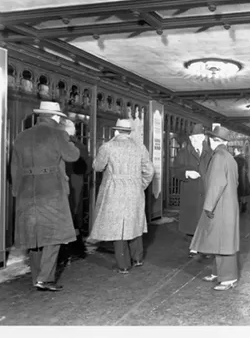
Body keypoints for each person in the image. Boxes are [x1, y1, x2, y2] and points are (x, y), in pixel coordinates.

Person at [10, 101, 81, 291]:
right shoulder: (58, 134)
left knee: (33, 235)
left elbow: (14, 168)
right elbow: (73, 156)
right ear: (56, 117)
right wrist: (67, 137)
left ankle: (36, 277)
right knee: (54, 234)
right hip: (50, 190)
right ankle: (45, 278)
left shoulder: (21, 136)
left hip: (26, 190)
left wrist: (17, 191)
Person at [89, 119, 155, 274]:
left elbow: (97, 167)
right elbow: (149, 171)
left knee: (118, 227)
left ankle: (123, 265)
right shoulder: (140, 147)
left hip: (114, 189)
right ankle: (137, 258)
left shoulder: (108, 146)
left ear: (115, 131)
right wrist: (140, 185)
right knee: (135, 223)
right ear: (129, 132)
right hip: (135, 190)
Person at [190, 125, 240, 291]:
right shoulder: (229, 157)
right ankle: (218, 272)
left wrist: (209, 206)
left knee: (224, 243)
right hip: (228, 204)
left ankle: (228, 279)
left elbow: (216, 184)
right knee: (219, 240)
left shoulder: (218, 156)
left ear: (213, 140)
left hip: (220, 205)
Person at [172, 124, 213, 257]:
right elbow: (175, 171)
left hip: (207, 191)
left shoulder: (211, 153)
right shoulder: (183, 153)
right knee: (192, 221)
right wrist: (186, 173)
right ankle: (193, 247)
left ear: (203, 138)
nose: (195, 140)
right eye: (193, 137)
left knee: (206, 220)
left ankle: (206, 247)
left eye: (198, 137)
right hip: (190, 192)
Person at [60, 118, 91, 260]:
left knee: (64, 214)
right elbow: (88, 167)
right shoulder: (81, 146)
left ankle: (64, 250)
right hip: (77, 182)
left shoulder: (60, 144)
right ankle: (78, 248)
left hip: (62, 182)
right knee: (75, 213)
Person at [233, 146, 250, 214]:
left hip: (237, 178)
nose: (234, 151)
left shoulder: (235, 159)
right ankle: (244, 207)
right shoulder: (244, 159)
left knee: (237, 194)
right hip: (244, 179)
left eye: (234, 149)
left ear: (237, 150)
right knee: (243, 194)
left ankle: (238, 208)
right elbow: (247, 169)